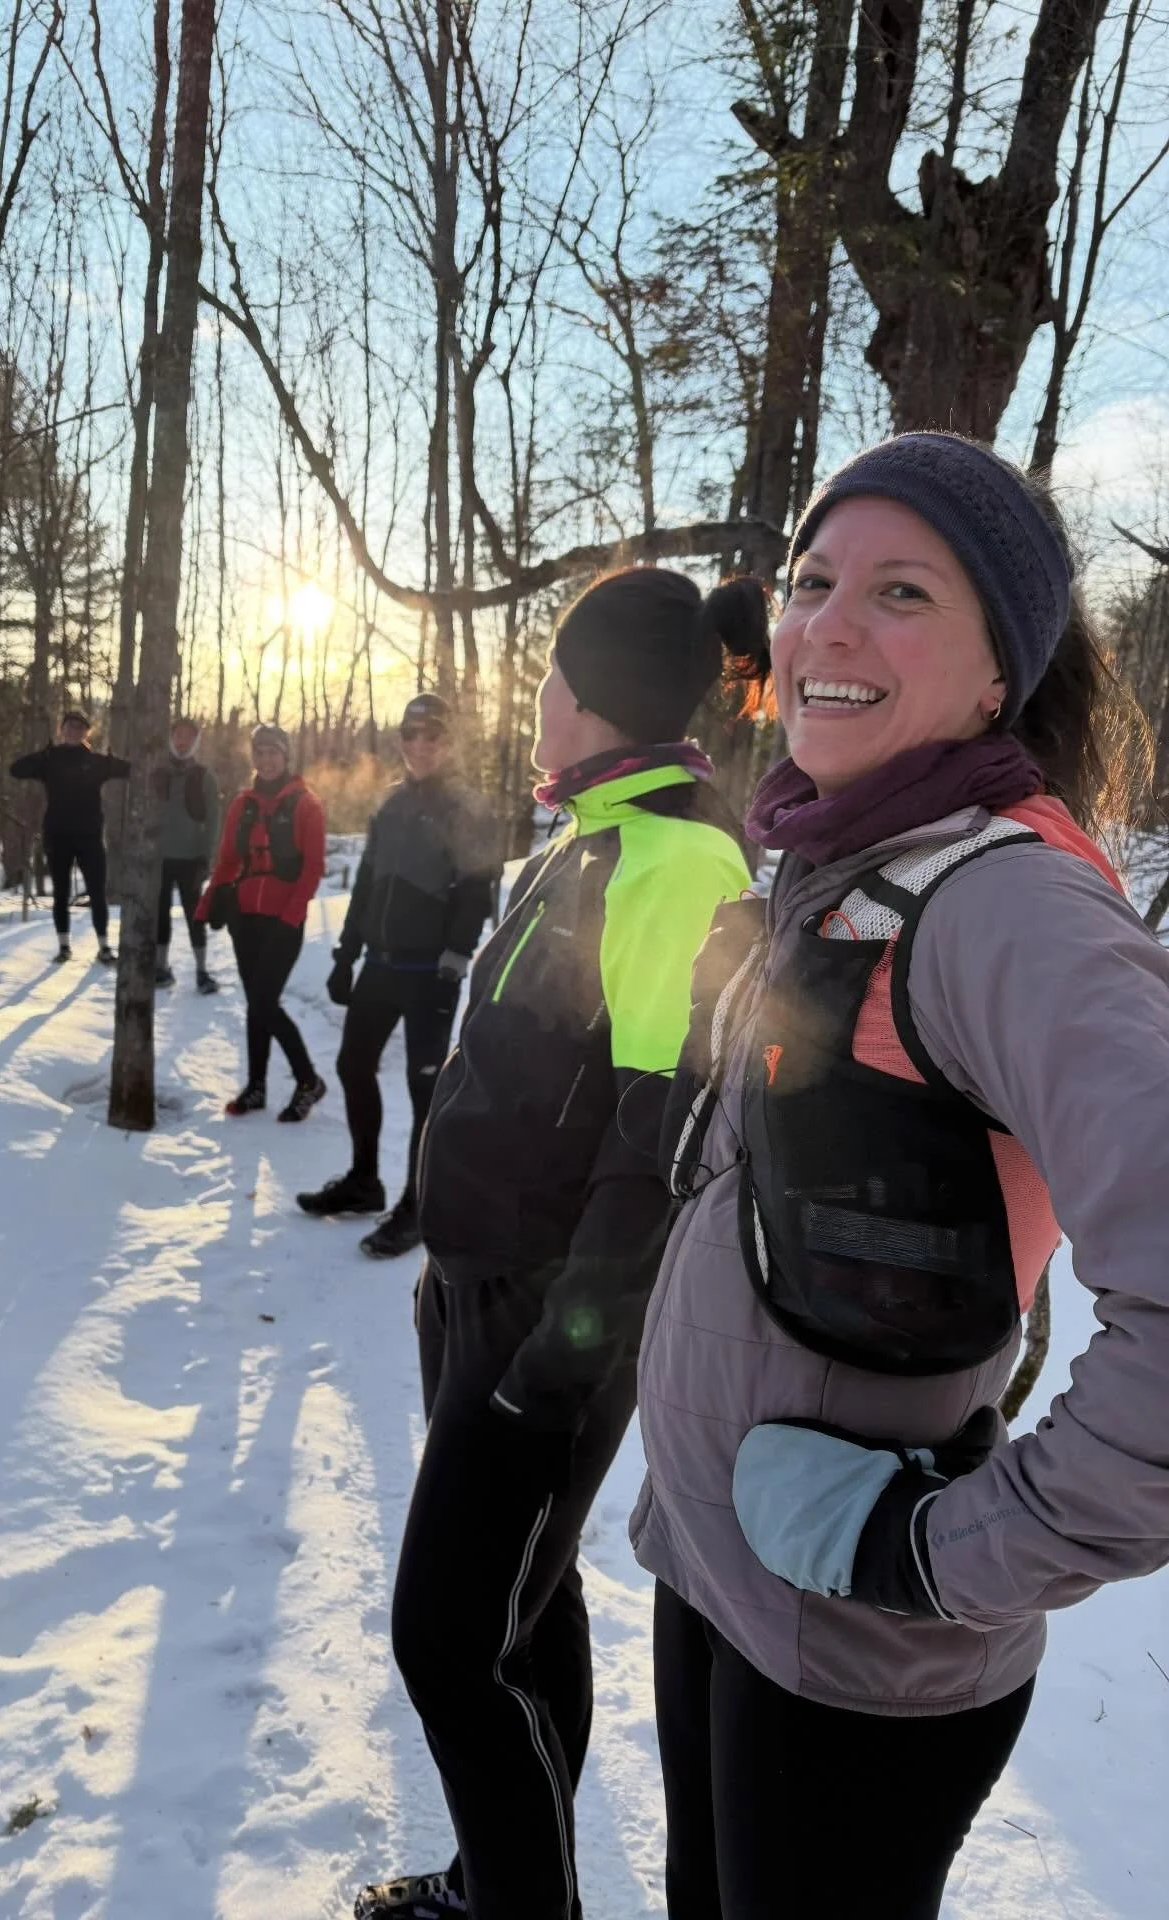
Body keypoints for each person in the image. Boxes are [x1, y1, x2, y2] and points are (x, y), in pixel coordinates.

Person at [632, 432, 1166, 1920]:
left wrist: (946, 1550)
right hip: (732, 1582)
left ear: (1002, 673)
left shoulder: (1010, 908)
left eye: (904, 591)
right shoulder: (839, 867)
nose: (827, 627)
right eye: (811, 582)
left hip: (857, 1659)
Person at [357, 568, 769, 1920]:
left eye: (549, 678)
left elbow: (655, 1142)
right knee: (521, 1621)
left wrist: (561, 1355)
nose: (531, 699)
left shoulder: (678, 860)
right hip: (478, 1296)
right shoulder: (593, 833)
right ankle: (500, 1880)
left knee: (448, 1642)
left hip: (547, 1327)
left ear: (592, 703)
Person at [296, 693, 500, 1260]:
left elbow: (477, 888)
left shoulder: (467, 807)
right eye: (409, 737)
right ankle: (365, 1181)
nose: (418, 747)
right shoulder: (390, 806)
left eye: (430, 736)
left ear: (449, 741)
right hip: (381, 966)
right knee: (352, 1064)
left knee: (424, 1087)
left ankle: (418, 1202)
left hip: (430, 972)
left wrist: (456, 959)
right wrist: (344, 954)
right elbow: (366, 883)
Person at [197, 722, 328, 1121]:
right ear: (252, 757)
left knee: (264, 1001)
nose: (267, 760)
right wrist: (208, 903)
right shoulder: (242, 804)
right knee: (257, 1004)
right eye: (260, 753)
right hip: (244, 917)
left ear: (285, 756)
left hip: (283, 920)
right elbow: (228, 859)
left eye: (273, 752)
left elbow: (312, 869)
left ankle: (309, 1080)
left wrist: (292, 916)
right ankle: (256, 1087)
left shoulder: (306, 804)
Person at [9, 710, 128, 965]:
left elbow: (130, 770)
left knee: (97, 892)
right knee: (60, 893)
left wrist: (116, 756)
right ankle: (64, 947)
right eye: (69, 727)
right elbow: (16, 770)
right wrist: (42, 755)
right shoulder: (50, 759)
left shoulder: (96, 762)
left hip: (90, 836)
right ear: (61, 730)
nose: (73, 731)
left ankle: (104, 947)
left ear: (87, 732)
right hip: (58, 835)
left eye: (79, 727)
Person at [155, 717, 221, 993]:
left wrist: (206, 855)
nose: (182, 741)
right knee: (161, 915)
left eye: (188, 737)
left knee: (195, 915)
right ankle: (161, 968)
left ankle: (202, 971)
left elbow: (215, 819)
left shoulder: (205, 776)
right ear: (171, 739)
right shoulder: (158, 773)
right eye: (178, 736)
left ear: (196, 742)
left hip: (191, 858)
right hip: (159, 858)